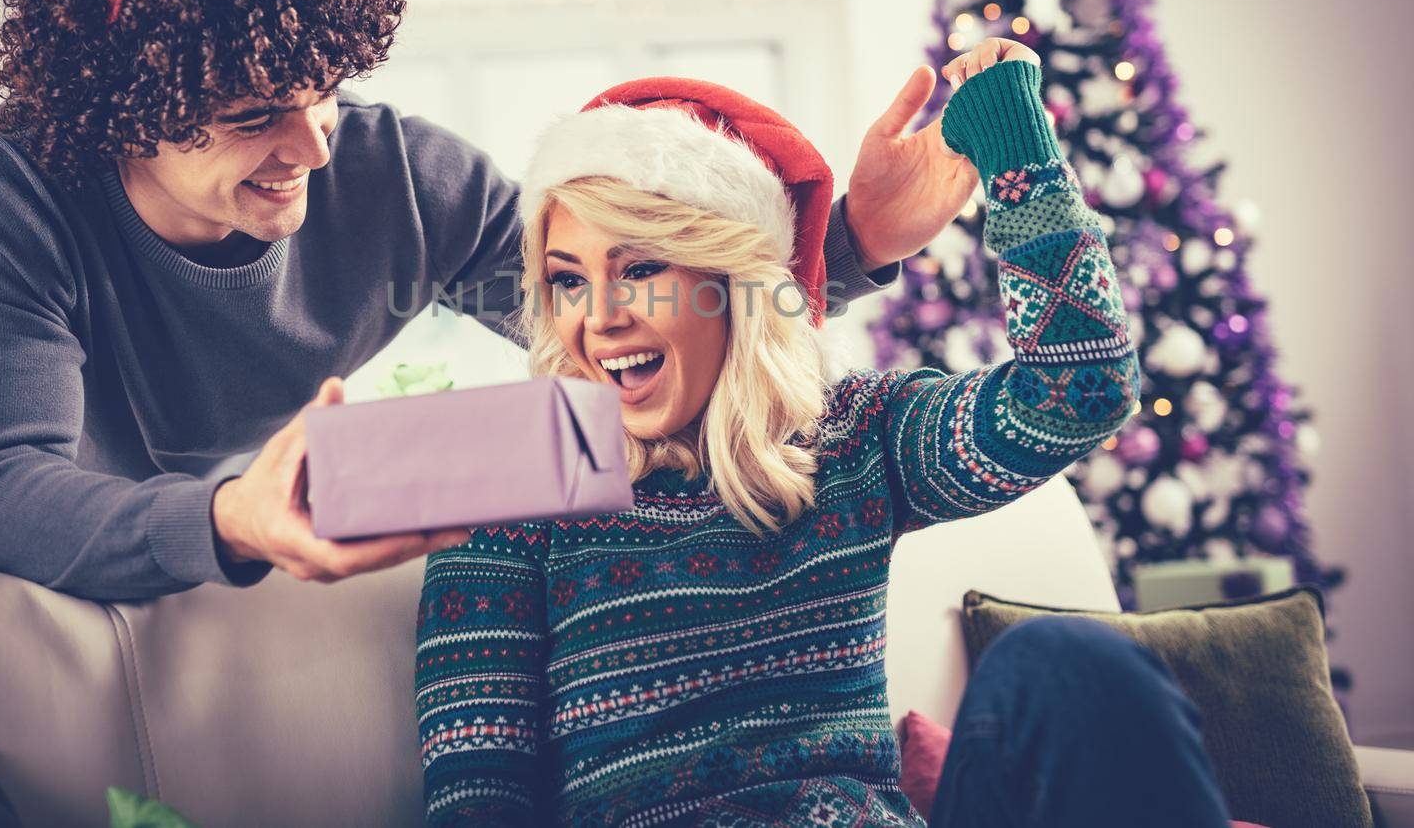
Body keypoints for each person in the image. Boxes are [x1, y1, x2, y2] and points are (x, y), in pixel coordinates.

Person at [0, 0, 953, 602]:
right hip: (85, 582)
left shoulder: (396, 173)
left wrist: (854, 242)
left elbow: (630, 324)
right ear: (123, 110)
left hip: (291, 549)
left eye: (323, 95)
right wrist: (225, 516)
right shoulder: (2, 190)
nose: (314, 149)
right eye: (252, 116)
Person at [414, 41, 1233, 826]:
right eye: (567, 279)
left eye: (639, 268)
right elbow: (478, 803)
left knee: (1066, 663)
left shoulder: (854, 438)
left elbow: (1079, 393)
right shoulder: (513, 484)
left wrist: (1015, 148)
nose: (598, 316)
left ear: (730, 280)